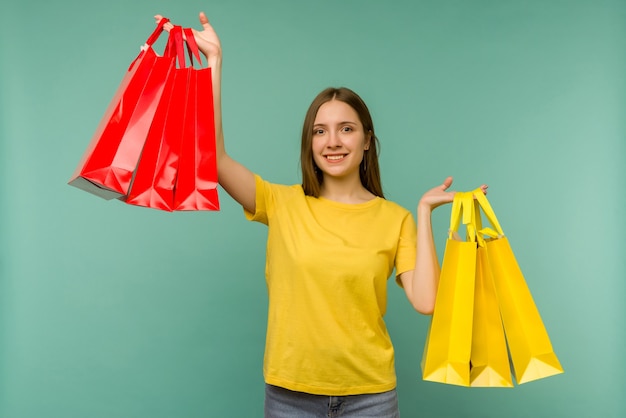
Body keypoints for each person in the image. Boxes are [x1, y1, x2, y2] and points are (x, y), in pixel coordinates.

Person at [156, 12, 487, 418]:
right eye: (320, 130)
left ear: (367, 141)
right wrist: (214, 64)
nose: (332, 141)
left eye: (346, 129)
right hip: (289, 396)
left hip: (372, 398)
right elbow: (216, 159)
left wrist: (424, 214)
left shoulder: (395, 219)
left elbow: (426, 300)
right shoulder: (281, 203)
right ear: (309, 142)